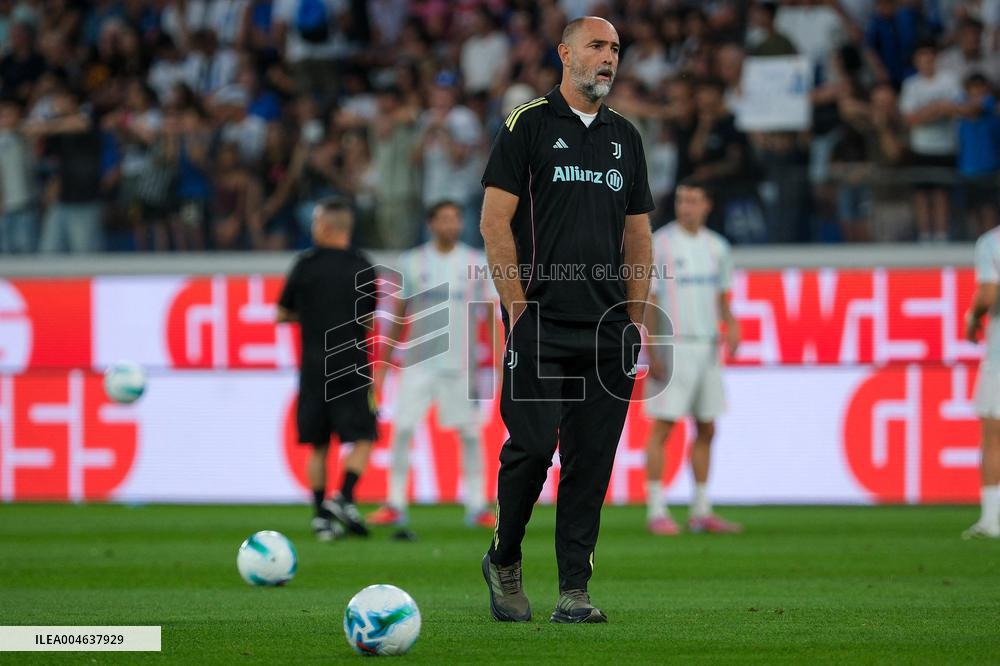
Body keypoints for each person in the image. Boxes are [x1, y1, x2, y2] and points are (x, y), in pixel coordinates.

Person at [479, 16, 653, 624]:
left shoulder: (625, 138)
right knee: (529, 449)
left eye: (615, 50)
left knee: (591, 461)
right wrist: (517, 310)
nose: (608, 58)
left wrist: (634, 321)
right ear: (565, 53)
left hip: (608, 332)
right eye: (597, 47)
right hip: (542, 323)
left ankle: (573, 590)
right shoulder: (527, 125)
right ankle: (504, 556)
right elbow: (493, 222)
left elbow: (638, 238)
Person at [369, 200, 497, 533]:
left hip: (463, 365)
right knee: (403, 429)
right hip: (418, 362)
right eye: (443, 219)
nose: (450, 225)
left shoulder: (475, 262)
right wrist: (383, 363)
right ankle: (395, 503)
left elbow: (489, 316)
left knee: (470, 434)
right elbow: (399, 315)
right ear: (431, 224)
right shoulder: (411, 262)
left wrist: (499, 361)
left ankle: (477, 505)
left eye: (455, 219)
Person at [642, 178, 742, 537]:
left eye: (693, 200)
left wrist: (731, 325)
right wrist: (651, 346)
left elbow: (722, 296)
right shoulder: (661, 244)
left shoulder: (718, 247)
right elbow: (649, 300)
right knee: (664, 427)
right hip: (674, 344)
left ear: (707, 205)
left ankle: (701, 509)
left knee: (707, 427)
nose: (686, 206)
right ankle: (656, 509)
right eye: (682, 200)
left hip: (707, 346)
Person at [277, 198, 378, 541]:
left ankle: (321, 516)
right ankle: (344, 497)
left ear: (325, 227)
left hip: (313, 366)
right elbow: (367, 318)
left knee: (318, 444)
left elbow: (281, 313)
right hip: (350, 363)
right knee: (363, 436)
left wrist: (308, 316)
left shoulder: (304, 265)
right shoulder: (363, 265)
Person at [963, 223, 1000, 539]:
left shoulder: (992, 242)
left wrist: (973, 318)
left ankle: (991, 520)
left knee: (993, 438)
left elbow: (989, 292)